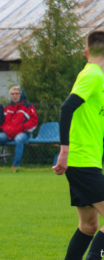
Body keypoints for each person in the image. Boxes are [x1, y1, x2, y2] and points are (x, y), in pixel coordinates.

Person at [52, 30, 104, 260]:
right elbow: (66, 107)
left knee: (89, 225)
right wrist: (65, 151)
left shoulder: (94, 75)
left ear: (86, 52)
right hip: (81, 160)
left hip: (87, 160)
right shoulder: (93, 75)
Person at [0, 86, 38, 171]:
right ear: (10, 95)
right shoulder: (7, 107)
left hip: (22, 133)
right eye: (12, 94)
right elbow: (2, 121)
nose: (14, 95)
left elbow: (34, 121)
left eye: (17, 93)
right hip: (7, 134)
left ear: (20, 95)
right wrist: (5, 129)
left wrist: (22, 127)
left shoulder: (28, 106)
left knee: (19, 140)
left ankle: (16, 166)